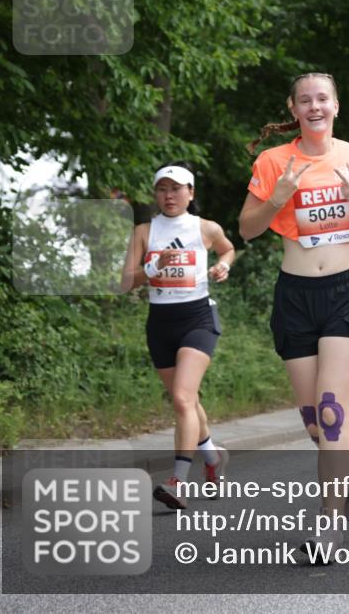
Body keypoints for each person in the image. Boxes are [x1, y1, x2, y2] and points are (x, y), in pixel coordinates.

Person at [239, 72, 349, 564]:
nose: (314, 106)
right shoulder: (273, 162)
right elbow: (246, 230)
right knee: (315, 423)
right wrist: (278, 197)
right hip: (295, 295)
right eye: (304, 100)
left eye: (322, 98)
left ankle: (329, 525)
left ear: (336, 105)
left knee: (331, 412)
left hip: (345, 292)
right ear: (293, 108)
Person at [122, 163, 235, 509]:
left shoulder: (206, 227)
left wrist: (223, 265)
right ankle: (213, 457)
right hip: (160, 323)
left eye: (176, 188)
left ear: (190, 193)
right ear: (155, 194)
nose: (169, 195)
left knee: (183, 399)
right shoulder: (144, 231)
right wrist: (153, 267)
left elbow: (227, 248)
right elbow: (125, 281)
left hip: (197, 318)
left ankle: (177, 481)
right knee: (188, 401)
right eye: (162, 189)